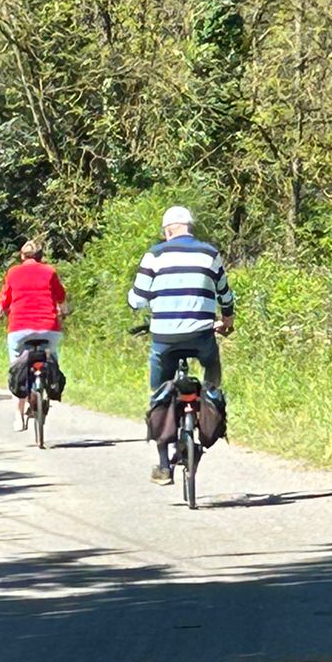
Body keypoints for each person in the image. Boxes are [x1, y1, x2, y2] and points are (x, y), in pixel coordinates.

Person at [127, 205, 234, 483]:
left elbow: (138, 298)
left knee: (160, 391)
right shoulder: (210, 253)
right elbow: (225, 293)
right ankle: (210, 405)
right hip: (202, 334)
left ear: (169, 230)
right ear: (189, 227)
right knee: (212, 371)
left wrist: (135, 300)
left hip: (165, 338)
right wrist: (227, 321)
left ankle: (163, 464)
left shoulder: (155, 254)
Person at [0, 238, 68, 432]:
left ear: (22, 256)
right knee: (51, 354)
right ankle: (51, 378)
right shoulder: (50, 271)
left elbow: (5, 298)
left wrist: (0, 310)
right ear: (40, 257)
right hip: (48, 327)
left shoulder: (13, 272)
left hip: (20, 329)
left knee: (17, 368)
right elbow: (60, 296)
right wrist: (63, 310)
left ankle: (18, 416)